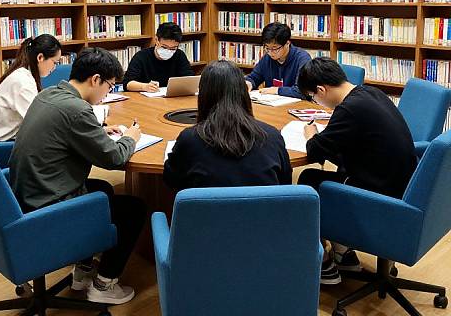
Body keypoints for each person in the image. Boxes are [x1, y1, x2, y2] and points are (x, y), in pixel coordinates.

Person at [9, 47, 146, 305]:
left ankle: (82, 272)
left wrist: (101, 131)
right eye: (110, 86)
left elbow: (65, 132)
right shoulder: (77, 110)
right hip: (49, 205)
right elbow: (113, 158)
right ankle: (105, 284)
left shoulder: (49, 94)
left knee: (103, 189)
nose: (109, 92)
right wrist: (130, 138)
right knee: (134, 208)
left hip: (27, 195)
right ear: (95, 79)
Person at [296, 57, 417, 284]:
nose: (315, 101)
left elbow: (315, 151)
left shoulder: (349, 110)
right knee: (336, 171)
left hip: (379, 194)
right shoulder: (371, 93)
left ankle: (324, 265)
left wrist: (310, 134)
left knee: (309, 178)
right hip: (402, 185)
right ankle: (343, 251)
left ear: (321, 89)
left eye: (313, 96)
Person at [164, 60, 292, 189]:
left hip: (208, 209)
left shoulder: (190, 139)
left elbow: (172, 180)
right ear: (243, 92)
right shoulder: (272, 136)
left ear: (204, 95)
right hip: (263, 209)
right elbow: (285, 183)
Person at [0, 34, 62, 141]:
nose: (54, 68)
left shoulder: (24, 73)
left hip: (5, 137)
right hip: (3, 144)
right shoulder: (23, 82)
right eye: (55, 62)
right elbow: (37, 122)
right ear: (40, 57)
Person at [245, 22, 311, 99]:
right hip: (271, 105)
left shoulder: (302, 59)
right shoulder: (267, 58)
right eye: (267, 48)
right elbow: (254, 77)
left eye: (275, 48)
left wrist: (277, 90)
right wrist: (248, 83)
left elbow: (302, 91)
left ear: (287, 43)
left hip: (296, 106)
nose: (270, 52)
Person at [123, 22, 194, 92]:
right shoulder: (141, 56)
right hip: (146, 100)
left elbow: (190, 80)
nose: (168, 51)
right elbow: (127, 84)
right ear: (156, 40)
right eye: (164, 47)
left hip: (173, 99)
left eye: (173, 48)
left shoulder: (179, 55)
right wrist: (144, 86)